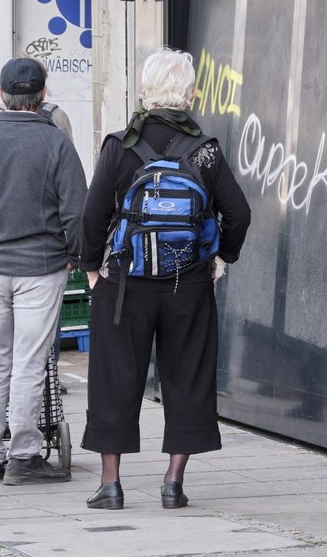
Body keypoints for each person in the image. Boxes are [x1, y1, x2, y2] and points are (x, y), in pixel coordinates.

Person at [79, 47, 250, 511]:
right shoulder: (206, 150)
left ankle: (111, 486)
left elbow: (93, 216)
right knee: (187, 377)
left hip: (123, 287)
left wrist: (93, 269)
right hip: (188, 285)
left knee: (115, 379)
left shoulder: (119, 145)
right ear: (190, 95)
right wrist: (220, 259)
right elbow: (238, 213)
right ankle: (173, 482)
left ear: (144, 93)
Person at [0, 59, 87, 485]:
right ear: (42, 94)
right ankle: (24, 456)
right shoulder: (55, 144)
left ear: (2, 96)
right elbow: (76, 212)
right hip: (41, 268)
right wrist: (76, 258)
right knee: (29, 362)